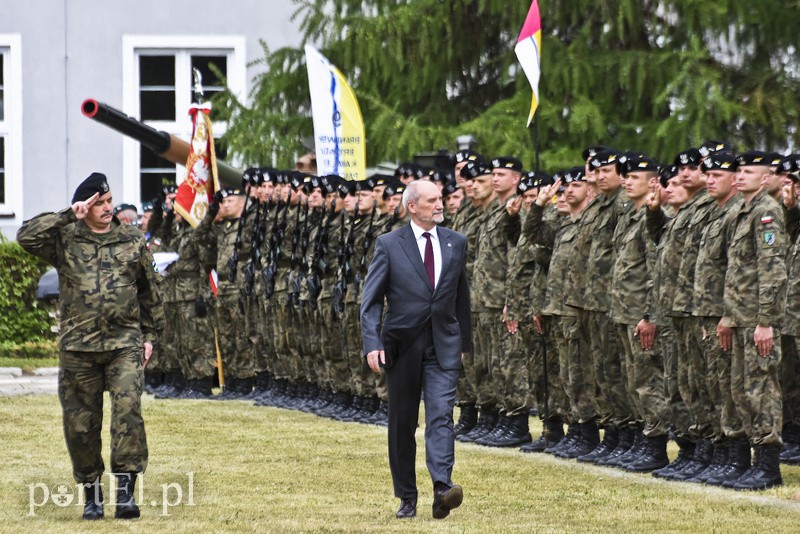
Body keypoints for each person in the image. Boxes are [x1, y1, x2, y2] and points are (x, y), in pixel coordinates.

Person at [16, 172, 164, 520]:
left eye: (110, 201)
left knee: (128, 412)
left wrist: (150, 336)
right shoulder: (66, 238)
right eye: (100, 203)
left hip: (123, 344)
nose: (108, 208)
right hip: (78, 349)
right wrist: (70, 214)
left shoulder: (131, 238)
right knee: (80, 425)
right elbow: (26, 236)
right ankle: (92, 495)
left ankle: (126, 493)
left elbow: (149, 291)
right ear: (86, 206)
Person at [360, 179, 472, 520]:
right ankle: (407, 495)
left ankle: (442, 487)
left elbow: (461, 296)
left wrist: (464, 342)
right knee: (403, 422)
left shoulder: (456, 242)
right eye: (433, 200)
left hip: (443, 344)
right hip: (402, 345)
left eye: (441, 199)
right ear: (412, 207)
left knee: (441, 415)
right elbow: (371, 301)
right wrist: (372, 343)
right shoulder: (389, 244)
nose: (441, 204)